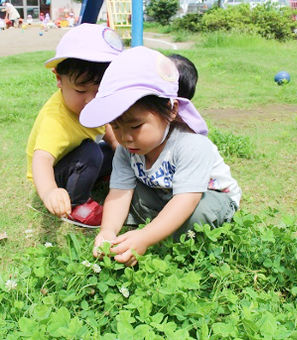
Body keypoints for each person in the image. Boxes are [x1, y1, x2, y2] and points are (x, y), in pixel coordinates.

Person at [80, 47, 242, 266]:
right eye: (115, 127)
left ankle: (162, 229)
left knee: (196, 215)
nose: (125, 138)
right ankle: (162, 225)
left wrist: (145, 237)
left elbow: (187, 200)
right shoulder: (125, 150)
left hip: (207, 197)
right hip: (164, 193)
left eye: (135, 126)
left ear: (171, 109)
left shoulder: (191, 144)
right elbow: (120, 192)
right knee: (128, 197)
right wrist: (107, 231)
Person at [26, 24, 124, 227]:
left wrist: (120, 150)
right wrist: (50, 191)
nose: (91, 100)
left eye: (99, 91)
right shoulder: (56, 119)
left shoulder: (95, 105)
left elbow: (107, 129)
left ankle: (96, 176)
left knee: (115, 150)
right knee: (90, 152)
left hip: (78, 164)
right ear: (59, 79)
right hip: (54, 176)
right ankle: (77, 202)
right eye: (81, 91)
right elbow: (41, 160)